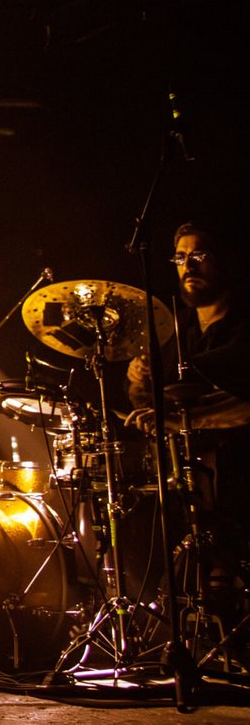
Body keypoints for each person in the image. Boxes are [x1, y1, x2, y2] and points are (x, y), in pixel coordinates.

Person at [125, 220, 249, 591]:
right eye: (180, 258)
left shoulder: (243, 324)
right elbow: (148, 404)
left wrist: (183, 419)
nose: (188, 266)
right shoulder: (175, 330)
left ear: (223, 260)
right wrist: (138, 379)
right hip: (189, 475)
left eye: (199, 255)